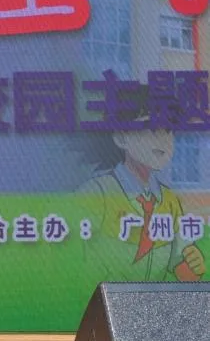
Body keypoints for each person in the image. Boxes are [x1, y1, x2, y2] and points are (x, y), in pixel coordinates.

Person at [75, 84, 205, 282]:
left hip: (156, 302)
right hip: (103, 301)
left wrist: (194, 264)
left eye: (168, 130)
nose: (163, 139)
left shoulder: (170, 202)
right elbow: (70, 266)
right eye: (151, 128)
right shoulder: (96, 193)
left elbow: (185, 272)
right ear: (121, 137)